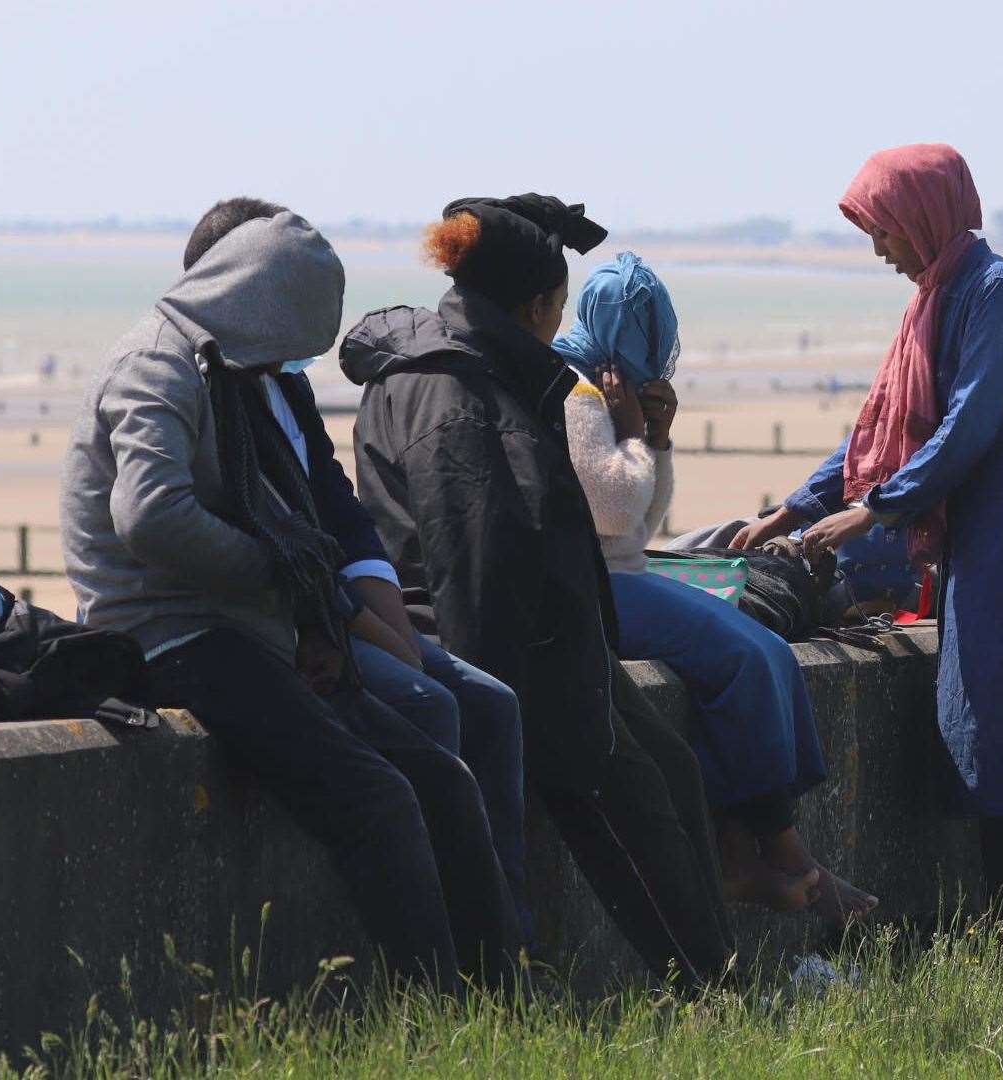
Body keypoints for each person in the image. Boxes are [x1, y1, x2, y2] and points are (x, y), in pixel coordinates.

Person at [60, 199, 522, 993]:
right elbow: (150, 516)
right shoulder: (157, 367)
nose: (282, 369)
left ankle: (503, 994)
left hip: (246, 625)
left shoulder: (220, 362)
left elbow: (300, 510)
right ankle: (442, 1010)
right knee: (373, 796)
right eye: (284, 349)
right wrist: (287, 583)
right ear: (252, 304)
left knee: (439, 778)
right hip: (168, 634)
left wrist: (308, 608)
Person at [341, 194, 734, 987]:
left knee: (672, 769)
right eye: (557, 305)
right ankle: (708, 987)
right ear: (536, 304)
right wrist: (508, 714)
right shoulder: (456, 394)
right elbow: (470, 565)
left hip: (551, 634)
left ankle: (715, 971)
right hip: (513, 654)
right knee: (629, 809)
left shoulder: (473, 368)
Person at [734, 144, 1003, 931]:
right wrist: (795, 508)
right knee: (993, 714)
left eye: (884, 232)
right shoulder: (937, 297)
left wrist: (877, 510)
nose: (881, 251)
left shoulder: (1000, 293)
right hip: (985, 526)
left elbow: (967, 423)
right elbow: (886, 427)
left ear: (924, 216)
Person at [552, 252, 875, 921]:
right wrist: (636, 437)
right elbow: (614, 511)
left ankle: (748, 839)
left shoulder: (605, 390)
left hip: (622, 571)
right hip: (594, 585)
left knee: (767, 652)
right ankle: (784, 853)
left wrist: (658, 440)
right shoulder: (577, 392)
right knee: (743, 656)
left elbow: (641, 520)